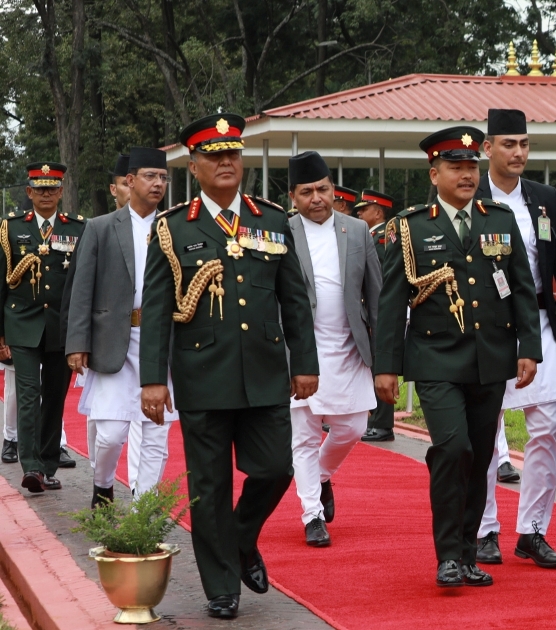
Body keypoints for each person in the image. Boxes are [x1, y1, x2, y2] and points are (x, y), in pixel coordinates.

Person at [139, 114, 319, 619]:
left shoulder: (271, 218)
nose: (226, 162)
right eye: (214, 156)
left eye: (233, 154)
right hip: (203, 375)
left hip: (265, 372)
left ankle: (240, 537)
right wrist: (153, 379)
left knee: (275, 469)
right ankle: (222, 586)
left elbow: (295, 301)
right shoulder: (174, 227)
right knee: (210, 485)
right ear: (193, 166)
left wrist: (305, 363)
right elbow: (156, 310)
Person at [374, 126, 542, 588]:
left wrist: (530, 348)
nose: (466, 175)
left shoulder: (499, 219)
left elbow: (522, 292)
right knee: (453, 449)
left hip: (490, 359)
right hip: (435, 358)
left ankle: (468, 553)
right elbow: (391, 303)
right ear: (435, 173)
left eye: (471, 166)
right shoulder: (410, 226)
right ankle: (448, 554)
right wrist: (385, 367)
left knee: (480, 456)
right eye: (455, 167)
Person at [474, 108, 556, 569]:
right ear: (487, 149)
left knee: (546, 427)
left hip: (537, 321)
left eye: (524, 144)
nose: (518, 152)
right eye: (508, 144)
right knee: (484, 431)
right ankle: (482, 530)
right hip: (485, 326)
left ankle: (532, 530)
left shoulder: (544, 198)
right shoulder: (469, 194)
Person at [65, 147, 177, 508]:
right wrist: (77, 342)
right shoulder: (99, 228)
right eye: (150, 176)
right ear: (129, 181)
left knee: (157, 432)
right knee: (111, 434)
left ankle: (144, 506)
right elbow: (82, 290)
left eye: (163, 178)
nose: (158, 184)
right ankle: (103, 485)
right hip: (115, 340)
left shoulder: (173, 226)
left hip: (160, 340)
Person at [287, 152, 380, 548]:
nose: (316, 198)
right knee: (304, 435)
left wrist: (386, 356)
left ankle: (322, 476)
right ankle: (311, 515)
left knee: (353, 427)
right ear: (293, 197)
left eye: (322, 189)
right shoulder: (283, 231)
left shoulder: (356, 230)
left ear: (332, 189)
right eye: (306, 192)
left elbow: (375, 292)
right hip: (301, 347)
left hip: (349, 347)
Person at [0, 162, 86, 493]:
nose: (46, 193)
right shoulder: (10, 228)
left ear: (61, 191)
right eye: (40, 188)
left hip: (61, 326)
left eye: (53, 188)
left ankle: (49, 464)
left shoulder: (79, 228)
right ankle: (31, 466)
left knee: (54, 395)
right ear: (29, 192)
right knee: (27, 394)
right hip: (21, 322)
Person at [355, 189, 397, 443]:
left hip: (379, 311)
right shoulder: (370, 235)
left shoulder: (382, 237)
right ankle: (375, 419)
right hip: (370, 310)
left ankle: (383, 423)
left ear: (378, 212)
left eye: (364, 209)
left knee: (381, 367)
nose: (358, 212)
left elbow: (380, 280)